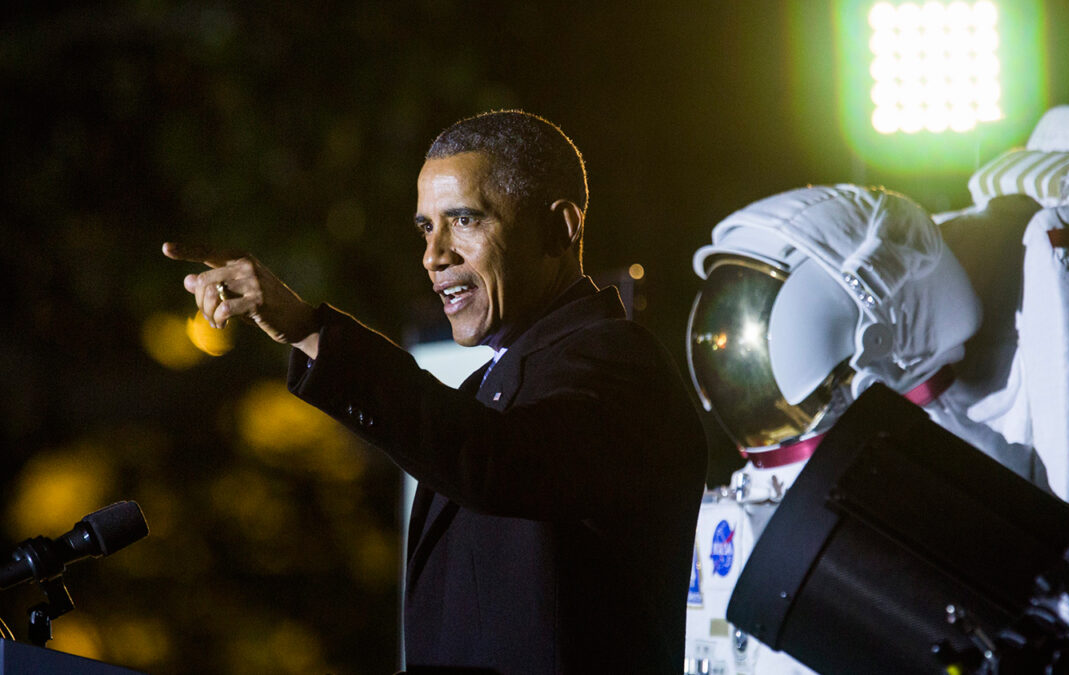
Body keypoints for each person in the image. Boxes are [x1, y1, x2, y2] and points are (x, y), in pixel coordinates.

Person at [165, 110, 708, 674]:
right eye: (427, 227)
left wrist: (308, 328)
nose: (434, 256)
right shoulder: (485, 390)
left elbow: (497, 460)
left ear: (560, 228)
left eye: (465, 220)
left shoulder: (620, 365)